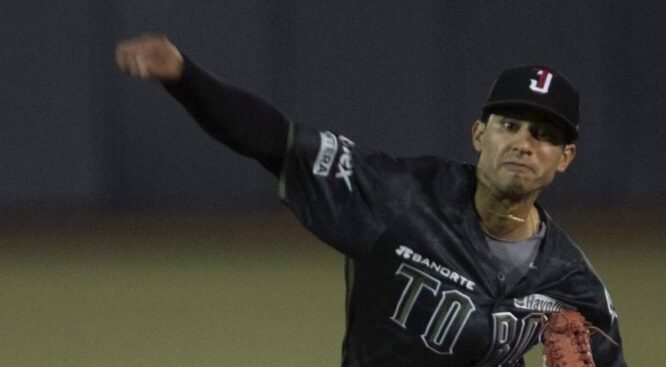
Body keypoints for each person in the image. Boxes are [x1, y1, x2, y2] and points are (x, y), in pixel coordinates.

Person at [115, 34, 626, 367]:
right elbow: (275, 141)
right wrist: (184, 78)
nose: (523, 143)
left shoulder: (573, 284)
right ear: (478, 135)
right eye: (509, 125)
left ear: (564, 158)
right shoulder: (397, 197)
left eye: (543, 135)